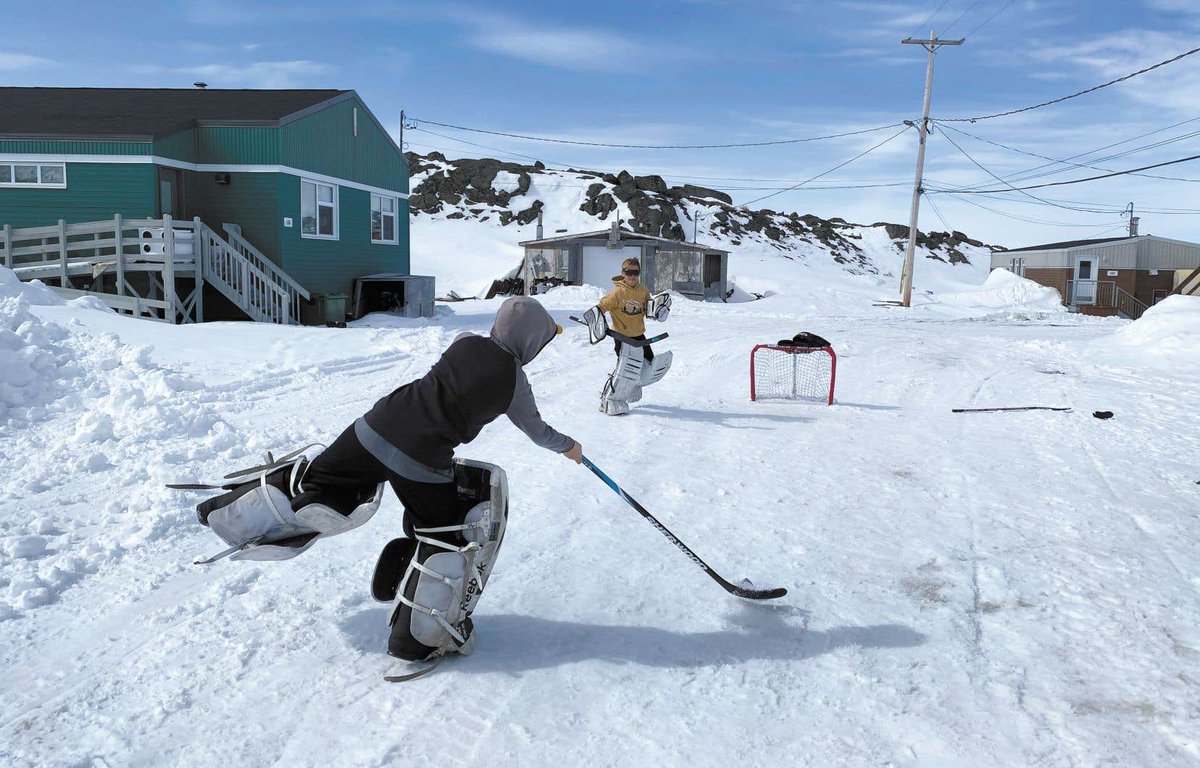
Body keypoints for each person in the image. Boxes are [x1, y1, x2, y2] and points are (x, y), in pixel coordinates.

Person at [184, 296, 580, 665]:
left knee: (309, 483)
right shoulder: (514, 383)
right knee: (448, 537)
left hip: (372, 429)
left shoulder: (464, 341)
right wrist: (569, 446)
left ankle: (225, 511)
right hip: (421, 460)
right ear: (530, 341)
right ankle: (416, 637)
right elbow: (538, 432)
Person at [593, 257, 672, 415]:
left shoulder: (643, 291)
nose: (632, 276)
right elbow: (601, 307)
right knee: (624, 370)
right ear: (623, 273)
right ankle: (607, 400)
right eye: (629, 272)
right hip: (622, 338)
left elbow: (649, 310)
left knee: (649, 364)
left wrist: (658, 311)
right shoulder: (617, 292)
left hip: (639, 336)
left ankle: (631, 386)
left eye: (635, 272)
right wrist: (596, 321)